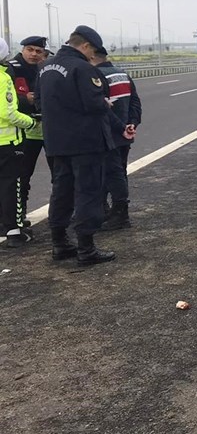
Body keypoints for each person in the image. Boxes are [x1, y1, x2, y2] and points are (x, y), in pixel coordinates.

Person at [36, 26, 119, 265]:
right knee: (88, 192)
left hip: (56, 142)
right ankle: (86, 248)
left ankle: (59, 243)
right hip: (85, 142)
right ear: (85, 46)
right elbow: (94, 104)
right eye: (92, 51)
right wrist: (105, 104)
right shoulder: (82, 68)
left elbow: (39, 103)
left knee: (61, 191)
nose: (93, 56)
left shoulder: (44, 68)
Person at [90, 46, 141, 230]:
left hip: (107, 134)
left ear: (92, 56)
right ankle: (112, 211)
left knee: (109, 173)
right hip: (125, 132)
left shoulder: (95, 76)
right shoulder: (122, 74)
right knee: (119, 172)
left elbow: (100, 108)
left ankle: (118, 214)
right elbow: (135, 103)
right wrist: (132, 123)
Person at [5, 35, 48, 224]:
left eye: (38, 51)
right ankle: (18, 216)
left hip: (46, 126)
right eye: (30, 49)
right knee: (22, 175)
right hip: (24, 129)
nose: (34, 54)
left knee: (61, 172)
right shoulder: (11, 68)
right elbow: (7, 99)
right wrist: (26, 100)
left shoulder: (45, 67)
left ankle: (63, 211)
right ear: (22, 49)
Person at [0, 38, 39, 248]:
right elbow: (9, 113)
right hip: (7, 142)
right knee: (12, 185)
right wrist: (30, 122)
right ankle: (14, 231)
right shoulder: (3, 77)